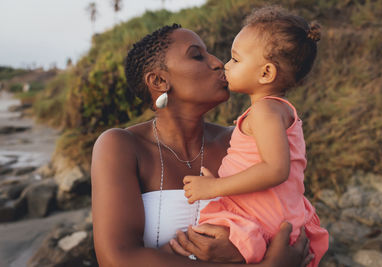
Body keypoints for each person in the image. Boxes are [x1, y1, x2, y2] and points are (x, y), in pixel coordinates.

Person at [91, 22, 313, 266]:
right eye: (197, 56)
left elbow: (288, 226)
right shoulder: (121, 146)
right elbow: (116, 260)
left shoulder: (241, 144)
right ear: (159, 81)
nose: (218, 62)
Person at [182, 6, 329, 266]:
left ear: (266, 73)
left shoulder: (264, 111)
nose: (226, 65)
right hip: (276, 214)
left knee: (194, 243)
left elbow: (275, 169)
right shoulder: (276, 110)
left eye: (235, 60)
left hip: (260, 220)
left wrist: (214, 187)